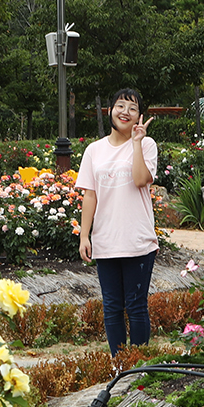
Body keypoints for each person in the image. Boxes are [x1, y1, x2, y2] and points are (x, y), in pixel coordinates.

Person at [76, 87, 159, 356]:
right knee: (111, 307)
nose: (125, 112)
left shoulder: (146, 144)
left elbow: (139, 180)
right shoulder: (94, 150)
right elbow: (90, 194)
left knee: (136, 306)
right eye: (120, 106)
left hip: (137, 239)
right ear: (110, 110)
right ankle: (118, 366)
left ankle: (139, 367)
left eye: (132, 108)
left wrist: (135, 142)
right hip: (106, 239)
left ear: (139, 116)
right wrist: (84, 235)